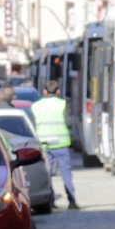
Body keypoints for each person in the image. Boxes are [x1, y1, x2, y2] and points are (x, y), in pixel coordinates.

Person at [32, 80, 79, 210]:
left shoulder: (36, 106)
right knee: (66, 173)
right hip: (61, 143)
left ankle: (50, 201)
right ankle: (72, 201)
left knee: (47, 174)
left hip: (44, 144)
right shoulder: (62, 104)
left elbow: (32, 124)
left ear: (44, 91)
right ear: (58, 91)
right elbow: (69, 122)